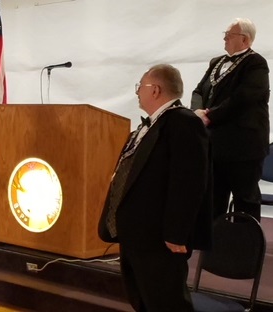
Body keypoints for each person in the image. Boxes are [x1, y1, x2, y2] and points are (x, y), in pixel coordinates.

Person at [98, 64, 212, 312]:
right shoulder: (146, 126)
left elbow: (189, 181)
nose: (137, 91)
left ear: (156, 90)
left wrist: (176, 233)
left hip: (160, 238)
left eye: (140, 86)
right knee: (142, 299)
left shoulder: (184, 122)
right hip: (135, 234)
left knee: (167, 303)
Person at [191, 18, 270, 222]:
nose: (224, 38)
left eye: (229, 34)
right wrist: (197, 111)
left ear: (244, 39)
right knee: (215, 197)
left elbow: (244, 97)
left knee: (245, 197)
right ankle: (215, 244)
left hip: (244, 144)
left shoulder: (256, 63)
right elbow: (199, 90)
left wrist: (210, 115)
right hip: (216, 143)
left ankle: (246, 245)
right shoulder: (216, 62)